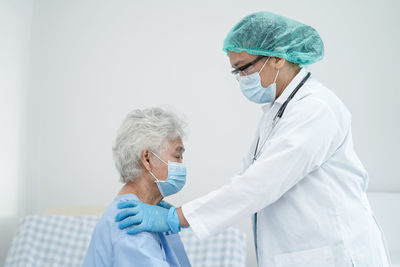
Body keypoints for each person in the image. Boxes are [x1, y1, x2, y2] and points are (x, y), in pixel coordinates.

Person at [115, 12, 391, 267]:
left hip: (338, 254)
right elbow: (249, 181)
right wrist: (180, 215)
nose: (240, 79)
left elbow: (261, 184)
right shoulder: (277, 113)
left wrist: (176, 218)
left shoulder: (316, 109)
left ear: (277, 58)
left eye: (243, 68)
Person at [83, 107, 191, 267]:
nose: (181, 165)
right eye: (177, 156)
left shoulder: (148, 215)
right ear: (147, 159)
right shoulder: (131, 222)